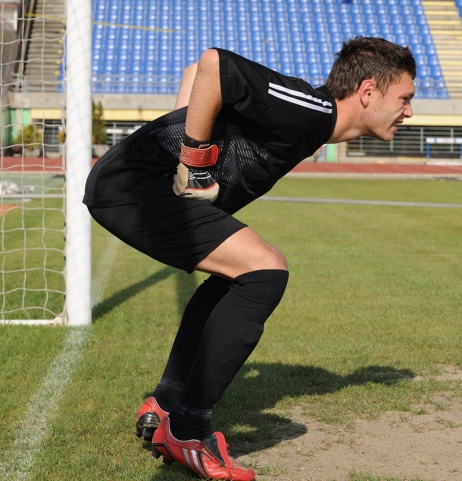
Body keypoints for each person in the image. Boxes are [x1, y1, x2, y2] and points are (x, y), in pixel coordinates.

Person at [83, 37, 416, 481]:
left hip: (130, 186)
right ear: (369, 91)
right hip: (133, 189)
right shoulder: (311, 109)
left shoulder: (311, 127)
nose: (409, 112)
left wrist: (184, 131)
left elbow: (192, 78)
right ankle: (187, 428)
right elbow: (214, 65)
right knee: (265, 271)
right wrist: (195, 165)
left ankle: (165, 402)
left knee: (233, 280)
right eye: (405, 98)